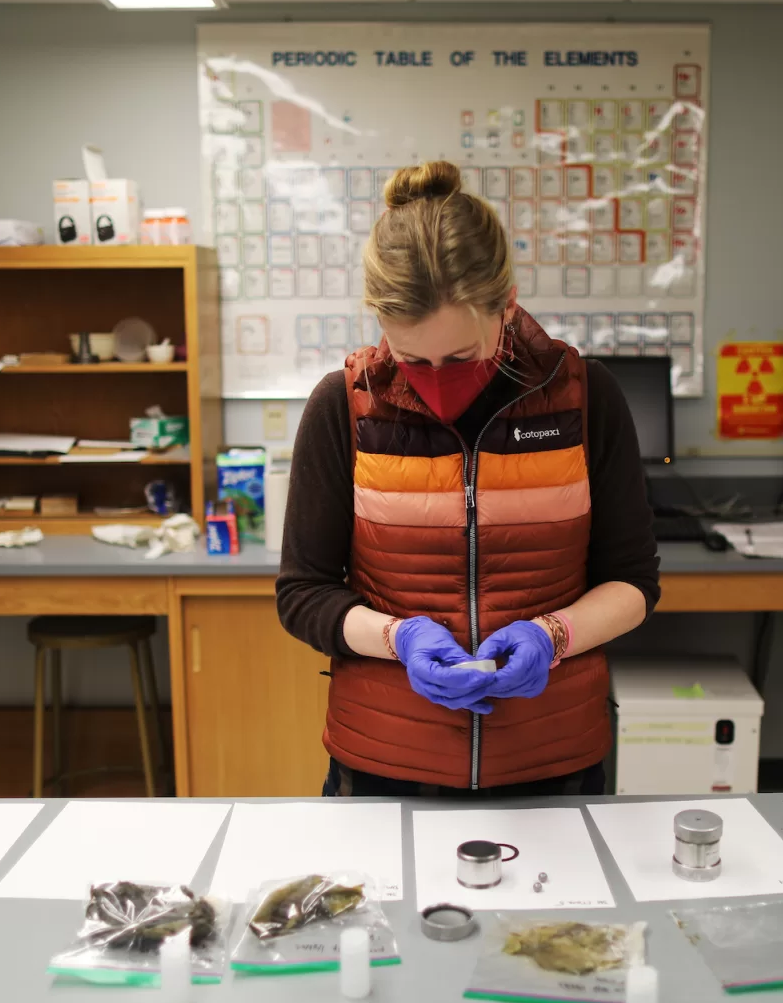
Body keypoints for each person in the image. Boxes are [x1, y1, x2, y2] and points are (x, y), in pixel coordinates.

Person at [277, 160, 660, 797]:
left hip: (553, 762)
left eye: (460, 357)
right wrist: (399, 638)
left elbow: (633, 581)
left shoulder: (586, 398)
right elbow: (303, 593)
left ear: (506, 305)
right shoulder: (343, 406)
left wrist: (553, 636)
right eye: (411, 358)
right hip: (385, 765)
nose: (436, 379)